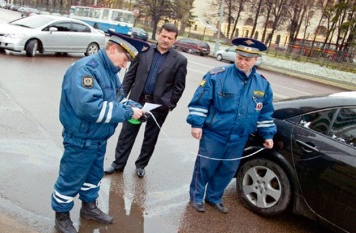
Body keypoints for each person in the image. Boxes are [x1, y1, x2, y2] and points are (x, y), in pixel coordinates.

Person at [51, 31, 150, 233]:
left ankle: (88, 207)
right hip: (80, 138)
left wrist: (135, 108)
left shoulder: (110, 72)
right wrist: (127, 113)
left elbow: (118, 100)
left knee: (93, 178)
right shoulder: (86, 69)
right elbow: (90, 108)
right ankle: (61, 215)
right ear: (113, 49)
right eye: (125, 60)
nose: (125, 66)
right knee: (70, 179)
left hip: (97, 138)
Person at [186, 37, 277, 213]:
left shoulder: (263, 84)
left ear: (256, 60)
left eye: (247, 59)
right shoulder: (217, 75)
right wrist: (196, 124)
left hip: (239, 137)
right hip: (215, 133)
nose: (242, 62)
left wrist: (268, 135)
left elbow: (265, 113)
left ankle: (214, 197)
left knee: (227, 169)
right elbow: (200, 102)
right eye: (239, 57)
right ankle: (196, 197)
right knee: (205, 166)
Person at [104, 23, 188, 178]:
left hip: (158, 106)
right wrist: (122, 98)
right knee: (127, 134)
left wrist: (169, 105)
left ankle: (141, 165)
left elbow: (179, 87)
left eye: (170, 38)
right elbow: (130, 76)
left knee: (150, 137)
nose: (165, 40)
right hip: (137, 101)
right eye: (163, 36)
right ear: (158, 35)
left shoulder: (180, 60)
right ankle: (118, 164)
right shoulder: (144, 51)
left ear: (175, 40)